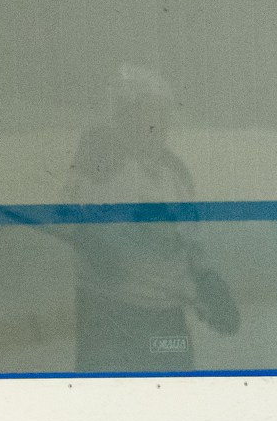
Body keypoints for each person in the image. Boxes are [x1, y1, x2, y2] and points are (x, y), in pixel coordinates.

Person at [64, 65, 239, 372]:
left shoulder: (175, 174)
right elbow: (75, 220)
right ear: (122, 116)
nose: (155, 123)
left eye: (161, 113)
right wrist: (92, 244)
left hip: (167, 317)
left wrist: (208, 281)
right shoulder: (98, 167)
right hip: (110, 316)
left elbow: (191, 240)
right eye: (144, 113)